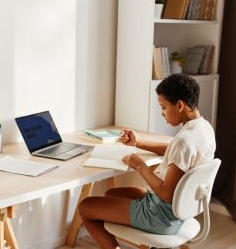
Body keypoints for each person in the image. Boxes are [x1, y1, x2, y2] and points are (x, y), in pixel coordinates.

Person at [78, 74, 216, 249]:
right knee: (112, 194)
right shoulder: (204, 129)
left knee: (86, 206)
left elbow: (165, 194)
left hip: (162, 216)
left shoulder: (184, 141)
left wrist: (139, 166)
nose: (162, 113)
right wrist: (139, 143)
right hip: (182, 211)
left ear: (180, 105)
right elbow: (175, 152)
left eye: (163, 107)